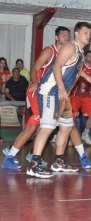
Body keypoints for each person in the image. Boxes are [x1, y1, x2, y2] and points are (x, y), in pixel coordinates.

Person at [26, 22, 91, 178]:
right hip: (52, 91)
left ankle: (58, 161)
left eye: (90, 33)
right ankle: (34, 164)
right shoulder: (69, 47)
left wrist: (87, 76)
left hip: (62, 94)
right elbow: (57, 66)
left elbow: (73, 68)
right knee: (47, 127)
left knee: (66, 127)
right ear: (76, 33)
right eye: (85, 32)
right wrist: (61, 87)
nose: (88, 35)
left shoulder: (80, 52)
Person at [2, 27, 70, 169]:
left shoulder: (67, 56)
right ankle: (9, 158)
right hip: (36, 91)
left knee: (46, 126)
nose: (66, 37)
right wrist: (34, 82)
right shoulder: (49, 51)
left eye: (68, 35)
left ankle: (32, 154)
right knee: (33, 126)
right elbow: (34, 68)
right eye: (63, 34)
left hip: (49, 94)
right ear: (56, 37)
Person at [70, 50, 91, 145]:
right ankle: (72, 136)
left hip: (86, 95)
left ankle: (85, 134)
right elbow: (75, 77)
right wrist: (86, 77)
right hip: (76, 95)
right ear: (85, 57)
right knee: (72, 117)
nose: (90, 57)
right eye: (89, 56)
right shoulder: (80, 65)